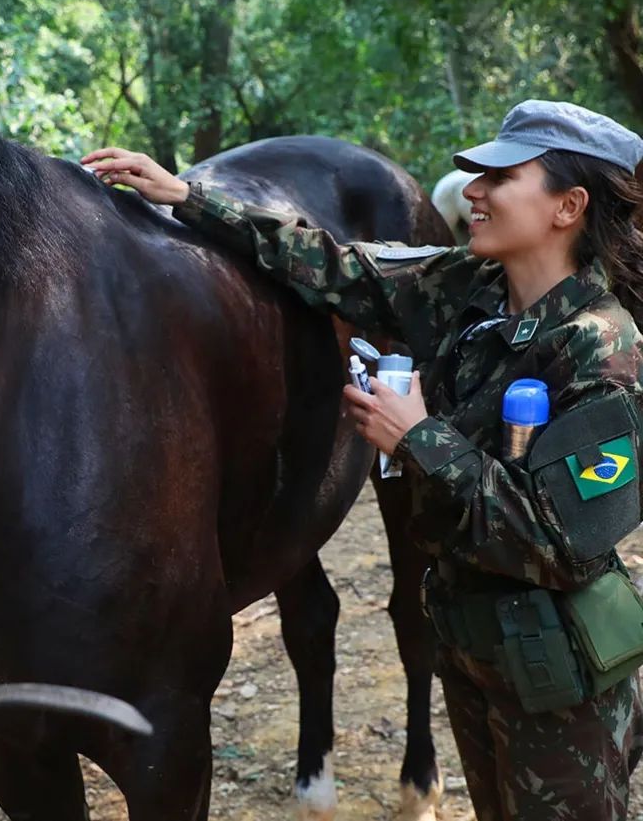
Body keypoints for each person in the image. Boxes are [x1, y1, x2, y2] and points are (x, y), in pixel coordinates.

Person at [82, 100, 643, 821]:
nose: (471, 190)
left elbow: (562, 543)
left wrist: (418, 437)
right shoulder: (466, 292)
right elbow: (328, 262)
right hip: (478, 654)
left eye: (500, 177)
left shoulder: (603, 347)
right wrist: (186, 196)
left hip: (563, 685)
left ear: (569, 205)